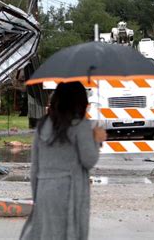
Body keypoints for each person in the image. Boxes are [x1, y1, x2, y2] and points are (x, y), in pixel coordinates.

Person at [20, 82, 107, 240]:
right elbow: (89, 160)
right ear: (80, 102)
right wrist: (97, 139)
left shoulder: (43, 125)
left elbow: (35, 168)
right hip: (70, 191)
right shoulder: (81, 126)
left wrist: (38, 196)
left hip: (44, 190)